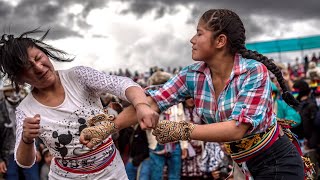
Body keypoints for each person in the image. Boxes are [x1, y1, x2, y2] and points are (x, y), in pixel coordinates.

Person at [83, 9, 309, 179]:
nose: (192, 39)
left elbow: (238, 128)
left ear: (220, 41)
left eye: (199, 33)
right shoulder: (192, 75)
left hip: (276, 160)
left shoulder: (253, 71)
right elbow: (150, 102)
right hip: (241, 163)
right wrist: (107, 128)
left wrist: (182, 130)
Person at [0, 29, 159, 179]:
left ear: (46, 54)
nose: (39, 68)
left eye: (37, 58)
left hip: (112, 172)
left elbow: (122, 84)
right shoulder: (25, 110)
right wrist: (27, 140)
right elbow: (24, 161)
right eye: (28, 67)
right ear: (20, 79)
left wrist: (141, 105)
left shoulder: (78, 77)